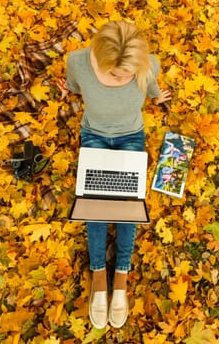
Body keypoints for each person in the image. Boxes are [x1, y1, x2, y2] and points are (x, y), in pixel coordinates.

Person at [57, 20, 171, 329]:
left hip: (131, 137)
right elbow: (73, 86)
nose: (123, 78)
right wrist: (65, 88)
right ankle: (98, 276)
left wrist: (158, 96)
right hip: (93, 135)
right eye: (115, 73)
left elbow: (150, 88)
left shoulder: (148, 66)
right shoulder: (78, 62)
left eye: (128, 74)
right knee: (94, 204)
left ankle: (120, 275)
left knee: (127, 207)